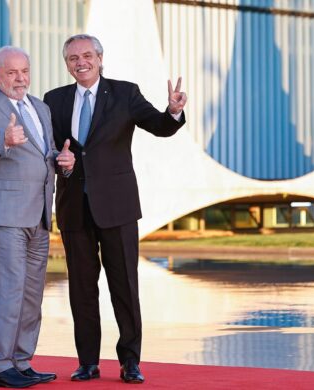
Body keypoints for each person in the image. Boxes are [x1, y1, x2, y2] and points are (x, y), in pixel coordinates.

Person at [43, 34, 187, 384]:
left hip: (118, 208)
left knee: (124, 287)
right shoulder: (54, 100)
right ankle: (88, 362)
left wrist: (174, 110)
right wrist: (59, 161)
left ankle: (130, 362)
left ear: (100, 58)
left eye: (88, 55)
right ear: (67, 64)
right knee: (81, 289)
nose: (81, 62)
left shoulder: (125, 93)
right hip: (75, 208)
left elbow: (160, 126)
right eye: (74, 57)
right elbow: (48, 149)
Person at [0, 46, 75, 388]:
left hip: (38, 211)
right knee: (10, 289)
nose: (20, 78)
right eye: (11, 72)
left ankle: (21, 361)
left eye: (24, 70)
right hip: (4, 212)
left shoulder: (40, 107)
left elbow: (44, 152)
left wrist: (62, 160)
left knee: (32, 293)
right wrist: (1, 141)